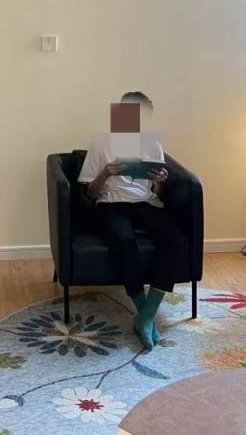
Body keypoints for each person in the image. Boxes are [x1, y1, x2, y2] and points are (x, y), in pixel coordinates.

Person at [78, 92, 187, 350]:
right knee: (123, 240)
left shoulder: (152, 145)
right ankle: (143, 312)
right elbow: (90, 193)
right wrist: (105, 173)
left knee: (175, 240)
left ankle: (147, 316)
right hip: (111, 203)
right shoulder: (101, 144)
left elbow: (156, 193)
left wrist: (160, 183)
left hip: (144, 203)